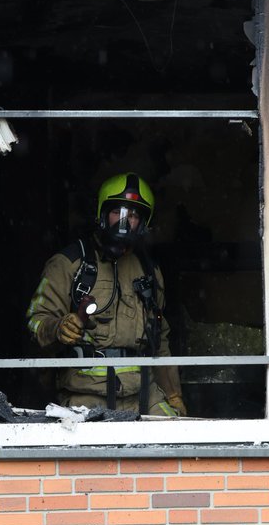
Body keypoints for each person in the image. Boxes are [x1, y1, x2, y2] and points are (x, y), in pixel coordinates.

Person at [26, 172, 185, 416]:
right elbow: (35, 322)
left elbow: (160, 340)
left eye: (132, 215)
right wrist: (58, 328)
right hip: (86, 394)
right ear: (102, 214)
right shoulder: (69, 263)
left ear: (143, 223)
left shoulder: (150, 271)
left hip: (143, 393)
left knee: (176, 438)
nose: (124, 222)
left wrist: (173, 395)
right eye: (117, 212)